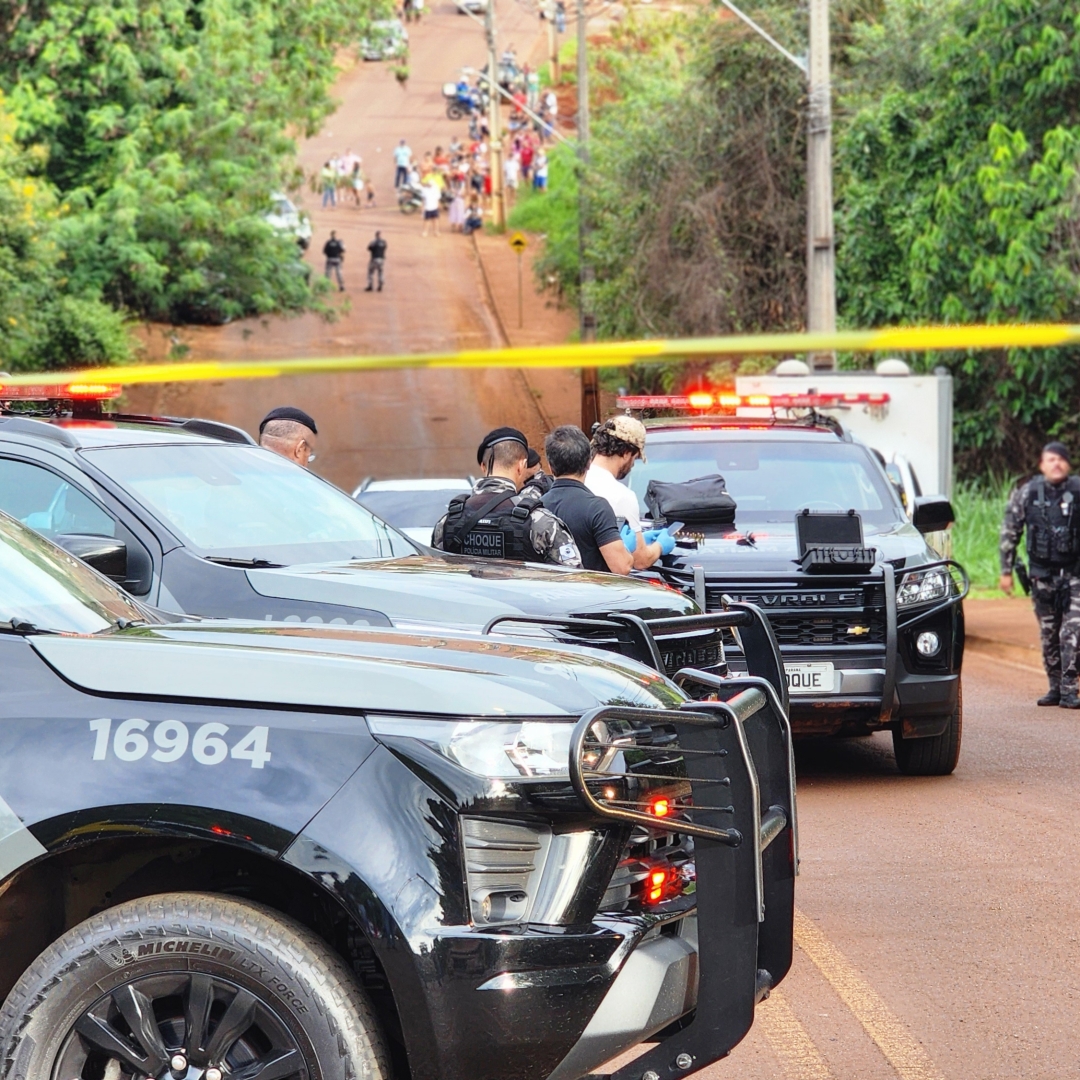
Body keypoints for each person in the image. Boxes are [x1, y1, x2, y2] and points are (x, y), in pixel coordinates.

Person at [1000, 441, 1080, 707]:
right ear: (1042, 464)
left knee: (1072, 631)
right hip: (1041, 577)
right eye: (1050, 459)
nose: (1056, 463)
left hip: (1074, 576)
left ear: (1067, 463)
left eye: (1060, 459)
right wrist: (1006, 571)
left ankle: (1070, 690)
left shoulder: (1078, 491)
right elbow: (1011, 530)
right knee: (1049, 634)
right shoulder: (1028, 492)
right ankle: (1055, 688)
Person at [432, 428, 582, 567]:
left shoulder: (447, 523)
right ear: (521, 466)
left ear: (483, 466)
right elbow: (574, 582)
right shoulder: (540, 523)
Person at [586, 416, 676, 570]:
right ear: (626, 453)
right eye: (635, 458)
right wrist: (660, 546)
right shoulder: (621, 496)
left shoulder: (578, 479)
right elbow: (640, 560)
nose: (633, 464)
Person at [541, 425, 633, 575]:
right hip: (591, 595)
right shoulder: (597, 508)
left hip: (549, 595)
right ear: (588, 463)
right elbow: (622, 567)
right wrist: (627, 548)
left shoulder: (537, 508)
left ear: (550, 467)